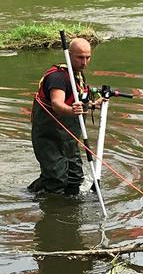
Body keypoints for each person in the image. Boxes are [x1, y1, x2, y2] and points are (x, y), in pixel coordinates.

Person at [28, 38, 101, 196]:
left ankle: (69, 206)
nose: (84, 62)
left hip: (68, 138)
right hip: (48, 137)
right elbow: (57, 103)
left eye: (88, 57)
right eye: (80, 57)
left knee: (75, 177)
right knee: (56, 179)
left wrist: (92, 104)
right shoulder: (58, 78)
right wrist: (71, 111)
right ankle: (39, 201)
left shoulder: (78, 76)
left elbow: (77, 99)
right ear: (69, 55)